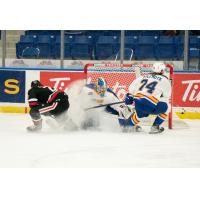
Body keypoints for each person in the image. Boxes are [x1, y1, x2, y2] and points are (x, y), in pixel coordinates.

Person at [121, 62, 171, 133]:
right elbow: (166, 96)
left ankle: (127, 127)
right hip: (150, 106)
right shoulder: (165, 80)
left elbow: (130, 91)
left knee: (139, 115)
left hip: (138, 103)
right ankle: (155, 127)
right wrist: (157, 98)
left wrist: (130, 97)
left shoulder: (141, 77)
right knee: (168, 107)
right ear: (162, 70)